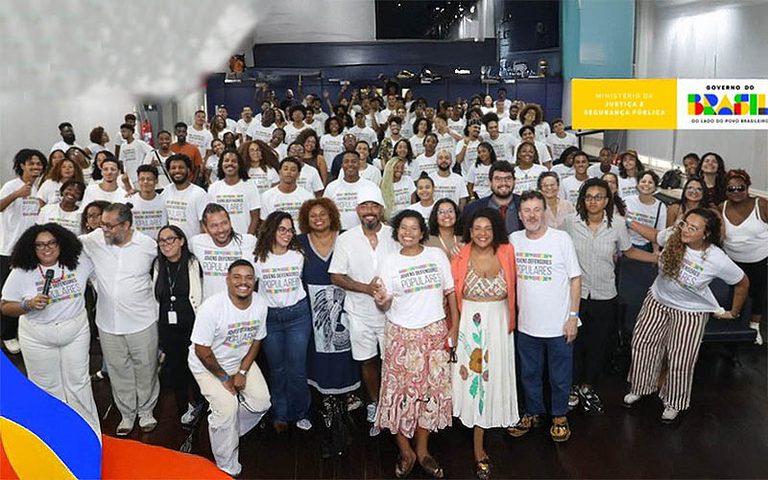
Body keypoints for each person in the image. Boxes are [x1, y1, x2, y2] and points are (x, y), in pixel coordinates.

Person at [623, 208, 749, 423]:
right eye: (684, 224)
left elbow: (742, 282)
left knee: (681, 357)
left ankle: (674, 402)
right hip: (657, 300)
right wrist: (628, 221)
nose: (685, 230)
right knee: (643, 344)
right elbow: (655, 235)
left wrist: (734, 312)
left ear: (706, 234)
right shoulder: (674, 236)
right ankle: (641, 387)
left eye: (693, 228)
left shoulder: (717, 258)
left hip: (690, 311)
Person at [373, 209, 458, 479]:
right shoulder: (389, 261)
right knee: (399, 394)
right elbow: (383, 300)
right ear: (397, 232)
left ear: (422, 233)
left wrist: (454, 326)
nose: (408, 232)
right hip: (401, 335)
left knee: (429, 394)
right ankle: (405, 450)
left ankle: (422, 450)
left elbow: (450, 293)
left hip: (434, 333)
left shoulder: (436, 256)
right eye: (403, 228)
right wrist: (381, 299)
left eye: (414, 228)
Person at [564, 178, 657, 415]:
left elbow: (629, 251)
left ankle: (588, 386)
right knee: (574, 343)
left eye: (598, 197)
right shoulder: (570, 222)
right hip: (575, 295)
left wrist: (658, 258)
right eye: (588, 197)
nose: (593, 201)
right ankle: (572, 386)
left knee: (598, 344)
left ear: (607, 200)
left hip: (605, 294)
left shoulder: (617, 224)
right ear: (582, 200)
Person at [0, 223, 100, 435]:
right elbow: (5, 306)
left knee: (79, 383)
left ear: (61, 243)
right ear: (32, 248)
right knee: (46, 386)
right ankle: (53, 435)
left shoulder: (80, 262)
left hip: (75, 333)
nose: (47, 249)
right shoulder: (21, 271)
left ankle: (88, 432)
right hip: (37, 338)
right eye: (40, 245)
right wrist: (27, 305)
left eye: (52, 243)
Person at [80, 203, 159, 436]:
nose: (103, 229)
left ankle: (146, 411)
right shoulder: (94, 240)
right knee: (117, 370)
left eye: (109, 226)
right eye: (102, 224)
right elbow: (66, 243)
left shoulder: (147, 245)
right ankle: (127, 413)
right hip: (107, 322)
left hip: (142, 321)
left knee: (146, 368)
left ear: (126, 225)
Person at [508, 191, 581, 443]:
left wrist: (573, 317)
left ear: (544, 212)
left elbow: (575, 279)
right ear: (520, 215)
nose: (532, 215)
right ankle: (533, 412)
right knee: (529, 374)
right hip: (526, 325)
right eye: (527, 211)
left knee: (559, 376)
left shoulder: (561, 239)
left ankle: (559, 416)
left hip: (559, 325)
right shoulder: (514, 240)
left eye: (537, 209)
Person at [450, 208, 518, 479]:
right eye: (477, 228)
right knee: (474, 380)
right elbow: (449, 294)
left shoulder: (507, 252)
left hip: (500, 325)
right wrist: (453, 328)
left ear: (496, 230)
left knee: (494, 378)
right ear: (469, 230)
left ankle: (493, 419)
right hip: (470, 325)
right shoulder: (459, 255)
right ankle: (477, 445)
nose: (482, 233)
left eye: (488, 228)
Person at [189, 259, 271, 477]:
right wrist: (225, 378)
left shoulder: (260, 304)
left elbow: (257, 341)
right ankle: (227, 467)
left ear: (255, 281)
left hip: (239, 361)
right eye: (237, 277)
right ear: (227, 280)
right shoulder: (211, 307)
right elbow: (202, 351)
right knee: (227, 408)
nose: (243, 282)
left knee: (261, 403)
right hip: (207, 365)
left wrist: (242, 372)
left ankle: (224, 430)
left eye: (249, 277)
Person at [329, 188, 400, 436]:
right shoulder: (346, 239)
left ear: (381, 209)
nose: (369, 211)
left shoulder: (395, 234)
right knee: (367, 360)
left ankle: (394, 405)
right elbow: (336, 276)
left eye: (374, 206)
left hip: (394, 313)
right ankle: (375, 404)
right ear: (357, 210)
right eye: (364, 206)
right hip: (359, 313)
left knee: (393, 361)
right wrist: (366, 289)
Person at [297, 199, 362, 440]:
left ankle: (349, 393)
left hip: (345, 300)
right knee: (318, 350)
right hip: (313, 305)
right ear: (306, 219)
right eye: (313, 215)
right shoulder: (299, 243)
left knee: (345, 346)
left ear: (332, 215)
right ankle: (325, 395)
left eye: (322, 214)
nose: (318, 218)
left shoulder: (345, 238)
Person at [254, 211, 313, 432]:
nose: (287, 234)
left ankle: (301, 412)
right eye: (282, 229)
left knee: (297, 367)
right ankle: (280, 413)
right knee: (277, 368)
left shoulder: (298, 255)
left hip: (297, 316)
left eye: (290, 230)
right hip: (270, 319)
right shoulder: (257, 257)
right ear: (271, 230)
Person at [153, 225, 206, 428]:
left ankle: (200, 404)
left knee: (195, 368)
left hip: (192, 327)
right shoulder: (158, 265)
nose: (166, 244)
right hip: (168, 329)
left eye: (171, 239)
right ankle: (183, 407)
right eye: (162, 241)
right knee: (176, 370)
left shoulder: (193, 263)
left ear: (182, 241)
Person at [1, 149, 47, 354]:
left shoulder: (37, 188)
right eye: (32, 164)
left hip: (31, 249)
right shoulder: (11, 186)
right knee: (9, 294)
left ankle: (20, 330)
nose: (36, 167)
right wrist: (16, 195)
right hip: (9, 249)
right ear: (21, 165)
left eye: (39, 164)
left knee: (26, 291)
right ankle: (7, 335)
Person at [720, 169, 768, 345]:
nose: (736, 191)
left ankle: (755, 326)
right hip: (732, 261)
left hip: (759, 260)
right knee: (733, 292)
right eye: (731, 189)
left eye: (740, 187)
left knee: (757, 293)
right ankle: (733, 321)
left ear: (747, 187)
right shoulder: (721, 207)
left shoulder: (761, 204)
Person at [191, 203, 257, 300]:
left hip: (241, 304)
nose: (221, 230)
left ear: (230, 222)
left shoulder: (250, 242)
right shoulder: (196, 243)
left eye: (224, 223)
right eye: (214, 226)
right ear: (205, 228)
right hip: (211, 305)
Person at [208, 149, 261, 235]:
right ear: (221, 164)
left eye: (234, 161)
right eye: (226, 160)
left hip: (244, 237)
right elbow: (210, 216)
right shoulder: (213, 188)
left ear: (239, 165)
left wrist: (248, 237)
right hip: (220, 238)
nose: (230, 163)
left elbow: (255, 216)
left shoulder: (250, 186)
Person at [462, 161, 522, 236]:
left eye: (508, 178)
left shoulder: (525, 205)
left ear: (514, 181)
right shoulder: (472, 209)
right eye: (498, 179)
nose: (503, 183)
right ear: (490, 182)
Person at [323, 151, 380, 230]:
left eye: (354, 161)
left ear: (359, 164)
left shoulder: (371, 186)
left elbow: (379, 212)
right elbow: (325, 211)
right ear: (342, 165)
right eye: (346, 162)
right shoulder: (331, 187)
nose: (350, 164)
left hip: (363, 232)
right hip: (338, 232)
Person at [161, 153, 209, 240]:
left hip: (193, 245)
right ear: (168, 172)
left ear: (189, 170)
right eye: (173, 168)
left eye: (181, 167)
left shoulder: (199, 193)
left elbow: (205, 224)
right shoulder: (166, 191)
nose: (177, 171)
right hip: (172, 245)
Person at [259, 157, 315, 229]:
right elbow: (265, 222)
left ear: (298, 174)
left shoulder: (308, 197)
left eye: (293, 170)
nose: (289, 172)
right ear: (280, 172)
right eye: (285, 169)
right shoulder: (266, 196)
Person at [625, 170, 667, 252]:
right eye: (643, 181)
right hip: (625, 243)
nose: (646, 184)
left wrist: (655, 252)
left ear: (655, 187)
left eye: (650, 182)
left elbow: (659, 233)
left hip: (646, 246)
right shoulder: (627, 201)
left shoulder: (661, 207)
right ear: (637, 185)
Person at [128, 165, 167, 240]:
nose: (145, 182)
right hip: (137, 244)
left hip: (160, 244)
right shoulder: (129, 202)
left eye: (149, 179)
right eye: (142, 179)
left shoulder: (164, 200)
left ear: (156, 180)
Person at [117, 122, 153, 187]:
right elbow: (121, 160)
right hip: (128, 177)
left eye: (124, 131)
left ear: (131, 132)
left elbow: (151, 151)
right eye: (121, 132)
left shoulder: (139, 143)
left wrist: (146, 163)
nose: (122, 134)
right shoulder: (123, 146)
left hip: (138, 176)